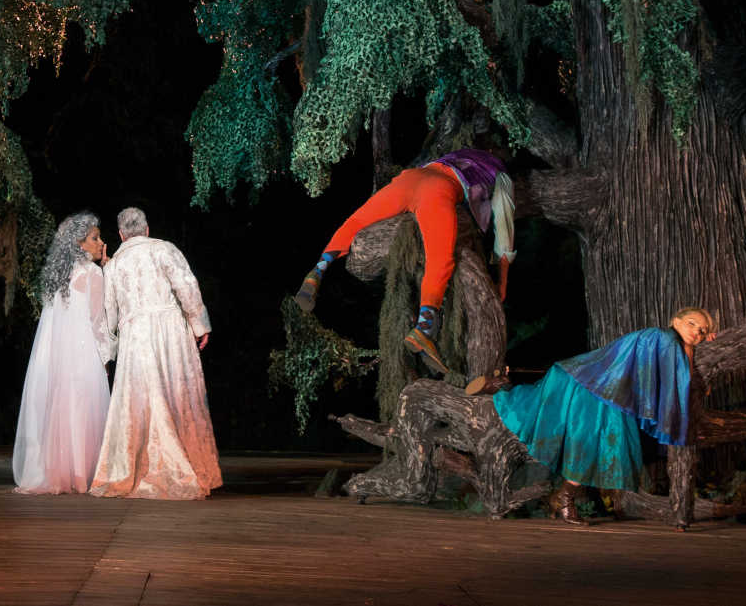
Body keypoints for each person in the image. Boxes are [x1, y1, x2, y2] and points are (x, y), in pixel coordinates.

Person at [292, 147, 514, 374]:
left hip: (412, 177)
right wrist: (503, 282)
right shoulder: (500, 174)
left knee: (356, 220)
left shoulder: (461, 152)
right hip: (439, 190)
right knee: (440, 260)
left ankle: (317, 271)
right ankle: (424, 329)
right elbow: (505, 231)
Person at [488, 306, 717, 524]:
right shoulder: (664, 338)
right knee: (587, 442)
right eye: (692, 323)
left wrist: (696, 345)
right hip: (594, 388)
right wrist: (693, 351)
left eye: (703, 330)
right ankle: (564, 498)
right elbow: (681, 376)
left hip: (609, 395)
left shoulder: (668, 341)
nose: (697, 331)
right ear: (675, 321)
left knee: (606, 446)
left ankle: (568, 498)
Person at [89, 207, 221, 500]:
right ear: (146, 229)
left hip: (136, 338)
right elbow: (187, 287)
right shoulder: (165, 250)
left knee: (140, 399)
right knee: (177, 394)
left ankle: (136, 466)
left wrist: (106, 354)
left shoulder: (114, 265)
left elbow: (108, 314)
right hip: (170, 334)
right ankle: (187, 466)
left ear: (121, 234)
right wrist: (200, 325)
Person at [11, 211, 112, 494]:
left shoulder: (57, 275)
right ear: (79, 243)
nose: (100, 242)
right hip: (83, 354)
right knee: (83, 411)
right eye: (95, 238)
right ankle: (81, 475)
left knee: (63, 410)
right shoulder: (93, 274)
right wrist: (106, 357)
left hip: (59, 358)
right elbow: (98, 322)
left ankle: (60, 474)